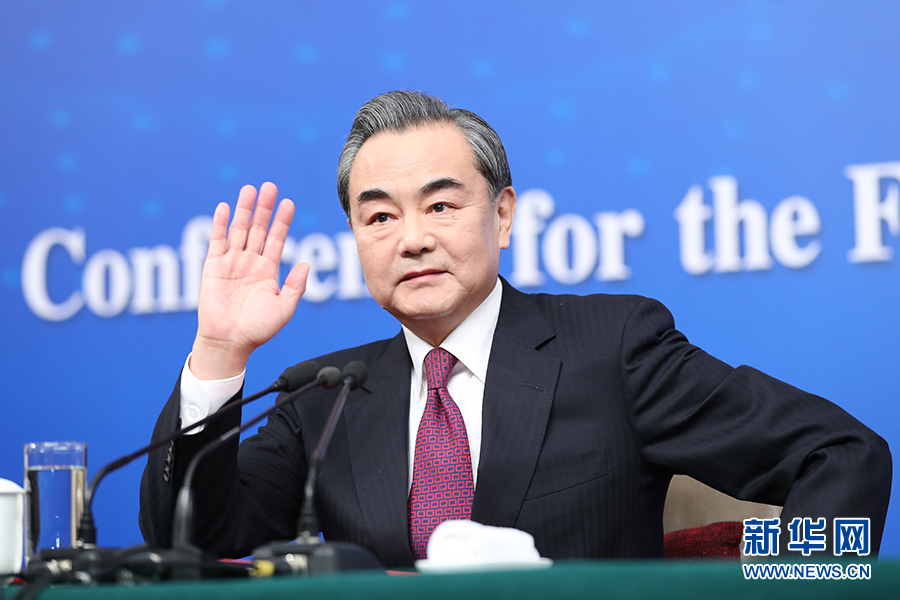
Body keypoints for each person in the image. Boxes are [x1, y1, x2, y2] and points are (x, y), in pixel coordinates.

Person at [140, 91, 891, 567]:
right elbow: (193, 544)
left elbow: (842, 454)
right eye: (379, 216)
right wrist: (220, 351)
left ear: (503, 216)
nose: (412, 238)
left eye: (441, 206)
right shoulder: (326, 398)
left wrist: (790, 586)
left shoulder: (612, 347)